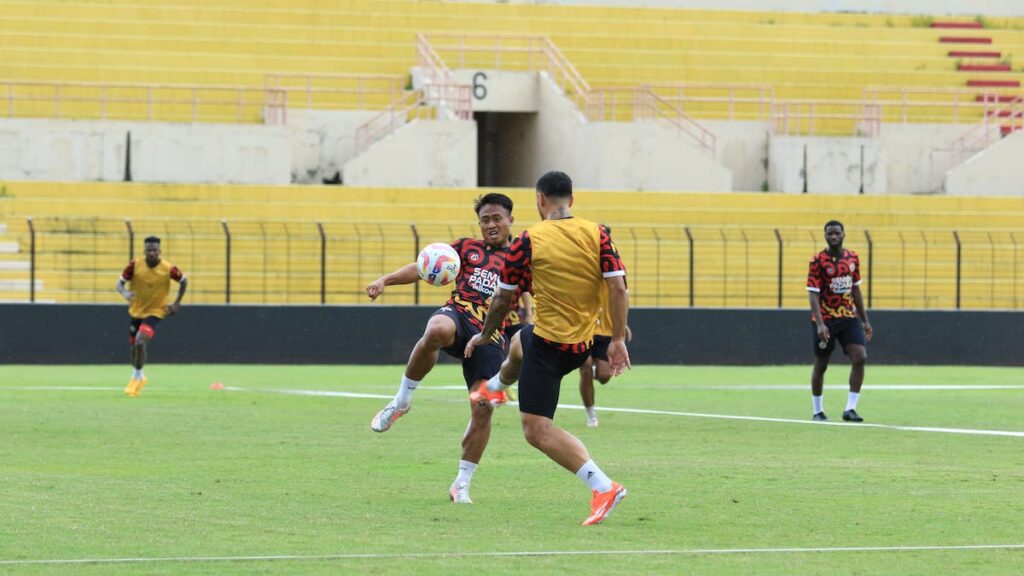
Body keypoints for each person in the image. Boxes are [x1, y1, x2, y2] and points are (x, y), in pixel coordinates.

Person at [465, 171, 631, 526]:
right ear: (571, 200)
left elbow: (502, 298)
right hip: (580, 343)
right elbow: (618, 289)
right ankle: (494, 389)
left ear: (539, 200)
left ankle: (603, 487)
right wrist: (617, 339)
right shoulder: (598, 232)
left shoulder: (528, 240)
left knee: (536, 430)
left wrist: (483, 335)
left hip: (549, 346)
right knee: (518, 343)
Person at [366, 192, 521, 504]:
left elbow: (534, 297)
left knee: (483, 407)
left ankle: (461, 484)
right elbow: (424, 266)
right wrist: (386, 280)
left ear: (510, 221)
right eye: (484, 220)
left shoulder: (520, 259)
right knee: (436, 328)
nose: (490, 225)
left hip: (491, 336)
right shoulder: (466, 248)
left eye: (496, 219)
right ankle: (401, 401)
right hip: (460, 316)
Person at [806, 220, 873, 422]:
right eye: (829, 234)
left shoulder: (853, 258)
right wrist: (819, 323)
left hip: (848, 316)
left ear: (843, 235)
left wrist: (865, 320)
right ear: (825, 236)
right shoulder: (817, 261)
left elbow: (856, 290)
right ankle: (818, 411)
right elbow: (813, 294)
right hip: (825, 319)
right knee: (822, 364)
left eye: (837, 233)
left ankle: (850, 409)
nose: (833, 237)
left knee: (860, 357)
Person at [117, 236, 187, 397]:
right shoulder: (135, 265)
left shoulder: (168, 268)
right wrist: (125, 293)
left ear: (159, 251)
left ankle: (136, 378)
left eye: (155, 250)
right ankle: (138, 375)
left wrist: (176, 303)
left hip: (156, 311)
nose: (152, 253)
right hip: (136, 311)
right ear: (145, 251)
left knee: (141, 341)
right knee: (135, 346)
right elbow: (119, 283)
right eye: (149, 250)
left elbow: (184, 281)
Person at [577, 225, 631, 428]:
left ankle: (592, 371)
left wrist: (622, 324)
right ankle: (591, 415)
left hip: (606, 329)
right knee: (584, 368)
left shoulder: (616, 266)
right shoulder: (583, 264)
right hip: (586, 326)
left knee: (604, 376)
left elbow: (623, 295)